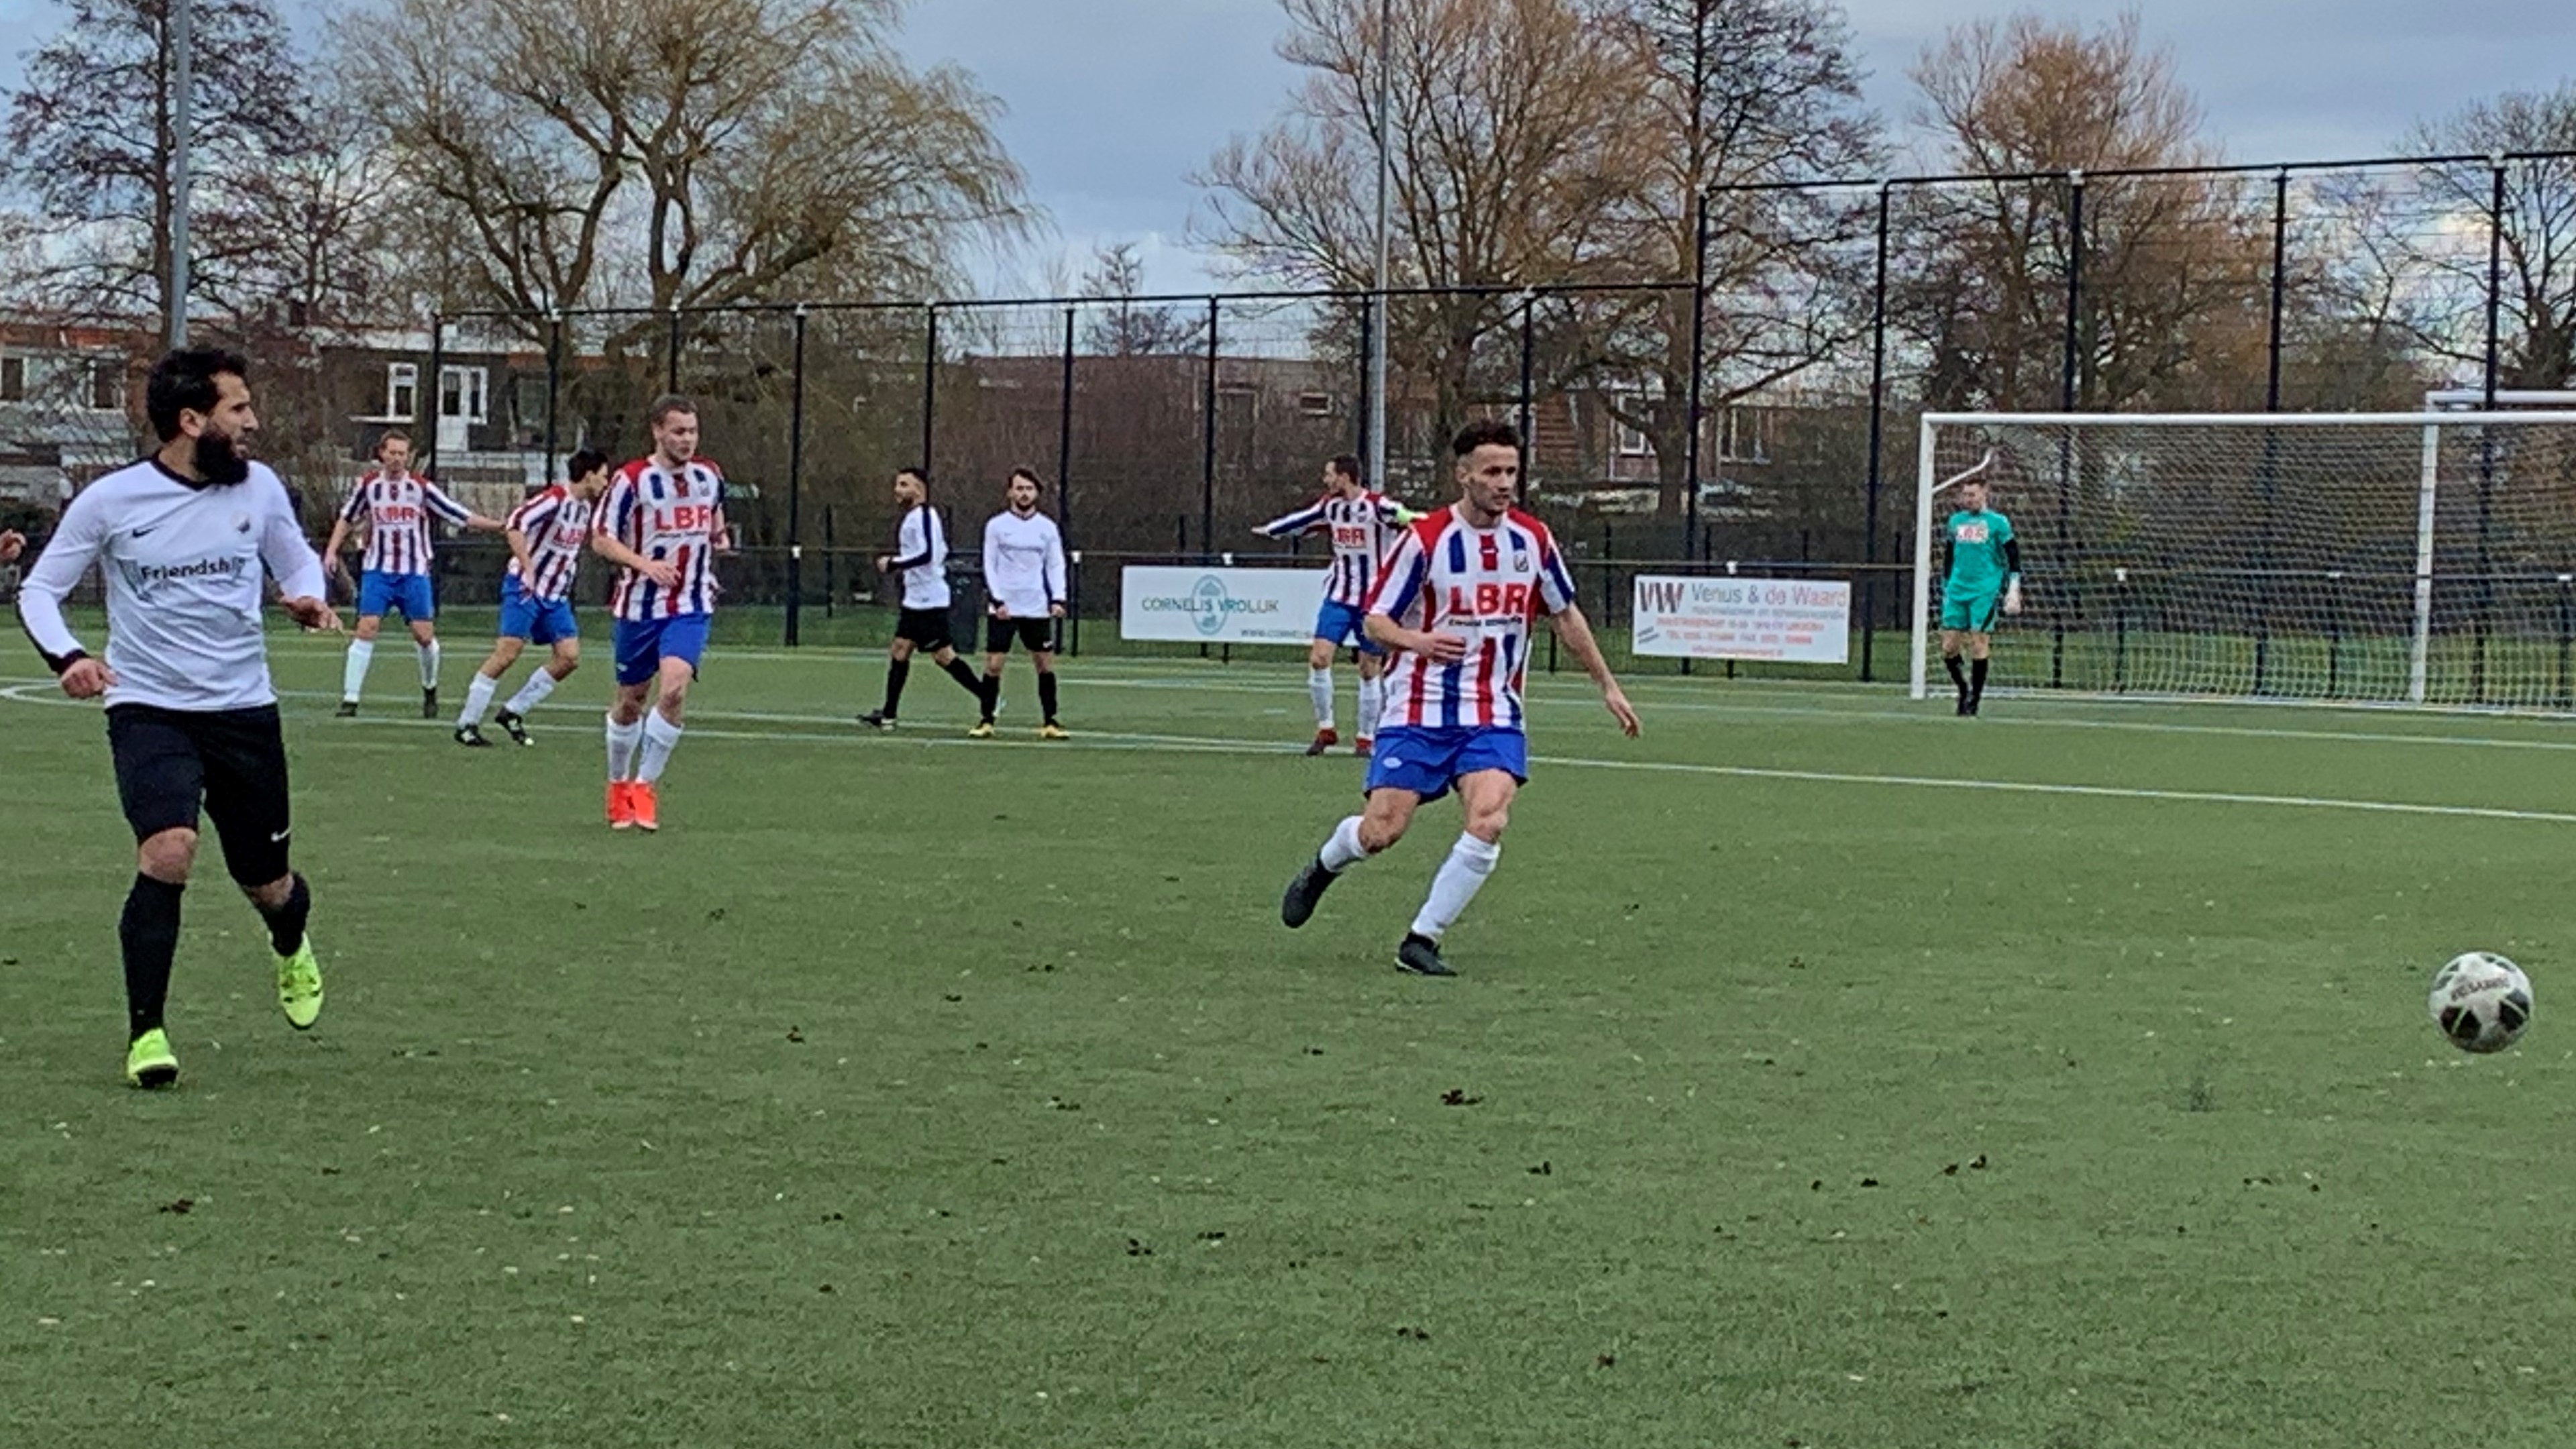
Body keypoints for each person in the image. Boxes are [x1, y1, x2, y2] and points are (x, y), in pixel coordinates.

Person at [13, 347, 339, 1087]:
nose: (253, 423)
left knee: (268, 884)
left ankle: (289, 941)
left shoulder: (259, 488)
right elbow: (40, 592)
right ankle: (147, 1035)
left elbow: (296, 561)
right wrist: (70, 659)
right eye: (238, 410)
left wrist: (306, 596)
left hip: (243, 711)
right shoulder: (111, 500)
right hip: (149, 708)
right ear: (191, 421)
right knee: (169, 850)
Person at [1279, 419, 1639, 978]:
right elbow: (1375, 622)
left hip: (1493, 712)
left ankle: (1422, 938)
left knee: (1491, 819)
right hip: (1417, 710)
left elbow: (1565, 614)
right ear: (1463, 474)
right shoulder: (1425, 541)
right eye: (1492, 471)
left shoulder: (1533, 540)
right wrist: (1418, 640)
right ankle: (1325, 866)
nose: (1504, 483)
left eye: (1512, 472)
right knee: (1382, 832)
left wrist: (1607, 685)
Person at [590, 395, 728, 831]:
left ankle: (644, 787)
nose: (687, 440)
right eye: (678, 431)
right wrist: (644, 564)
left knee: (673, 692)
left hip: (689, 605)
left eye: (692, 431)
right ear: (657, 431)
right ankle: (617, 784)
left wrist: (717, 543)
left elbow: (714, 520)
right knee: (630, 703)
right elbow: (600, 539)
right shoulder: (632, 480)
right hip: (638, 606)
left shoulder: (709, 476)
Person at [322, 429, 503, 718]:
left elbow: (457, 513)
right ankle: (350, 699)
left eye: (402, 454)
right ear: (381, 454)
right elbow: (347, 518)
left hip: (414, 572)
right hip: (377, 570)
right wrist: (331, 551)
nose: (396, 459)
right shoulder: (369, 486)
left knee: (423, 635)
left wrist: (498, 526)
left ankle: (430, 688)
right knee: (367, 627)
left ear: (408, 457)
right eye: (392, 453)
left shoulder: (421, 487)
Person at [1255, 454, 1413, 756]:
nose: (1326, 480)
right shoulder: (1331, 506)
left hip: (1373, 602)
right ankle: (1325, 729)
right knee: (1319, 658)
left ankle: (1366, 738)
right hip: (1340, 596)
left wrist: (1433, 524)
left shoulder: (1377, 506)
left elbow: (1406, 516)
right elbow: (1302, 519)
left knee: (1369, 669)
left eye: (1330, 475)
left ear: (1345, 477)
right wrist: (1273, 530)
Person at [454, 449, 613, 747]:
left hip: (555, 596)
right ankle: (467, 724)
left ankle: (513, 711)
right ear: (589, 475)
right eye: (604, 476)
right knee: (507, 654)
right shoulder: (554, 499)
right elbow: (515, 524)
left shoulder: (584, 509)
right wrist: (527, 567)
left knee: (568, 657)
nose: (606, 483)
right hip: (525, 589)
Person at [857, 467, 987, 730]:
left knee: (943, 656)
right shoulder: (913, 518)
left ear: (919, 489)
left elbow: (927, 555)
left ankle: (988, 697)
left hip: (930, 600)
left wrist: (893, 563)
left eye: (904, 484)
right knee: (900, 650)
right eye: (897, 484)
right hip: (915, 599)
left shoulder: (926, 516)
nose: (898, 490)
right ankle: (888, 715)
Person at [971, 468, 1069, 741]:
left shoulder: (1047, 528)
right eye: (1019, 488)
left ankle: (1050, 721)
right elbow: (989, 564)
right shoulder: (996, 526)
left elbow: (1055, 565)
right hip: (1004, 608)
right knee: (993, 665)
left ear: (1036, 493)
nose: (1023, 494)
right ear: (1010, 492)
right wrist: (997, 599)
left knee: (1044, 665)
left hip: (1035, 607)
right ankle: (986, 719)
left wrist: (1057, 598)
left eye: (1029, 489)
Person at [1937, 462, 2023, 717]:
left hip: (1984, 589)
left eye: (1972, 494)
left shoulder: (1998, 523)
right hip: (1957, 589)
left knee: (1978, 641)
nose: (1967, 499)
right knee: (1949, 647)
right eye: (1964, 494)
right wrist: (1946, 585)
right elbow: (1949, 556)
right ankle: (1963, 688)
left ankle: (1974, 699)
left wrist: (2013, 588)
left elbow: (2012, 555)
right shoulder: (1956, 521)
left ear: (1985, 493)